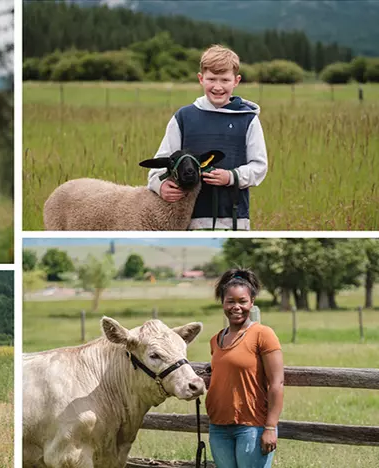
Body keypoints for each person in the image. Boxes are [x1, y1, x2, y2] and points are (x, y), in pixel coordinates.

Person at [147, 45, 268, 230]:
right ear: (201, 79)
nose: (218, 86)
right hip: (187, 219)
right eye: (211, 79)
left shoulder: (248, 119)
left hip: (234, 218)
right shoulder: (184, 117)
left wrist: (231, 176)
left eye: (225, 80)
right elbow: (161, 162)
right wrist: (160, 185)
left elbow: (259, 167)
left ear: (236, 81)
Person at [205, 269, 284, 468]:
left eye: (242, 301)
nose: (236, 307)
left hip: (252, 426)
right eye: (230, 301)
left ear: (252, 302)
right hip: (218, 427)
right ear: (223, 302)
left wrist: (270, 427)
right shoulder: (216, 339)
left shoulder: (263, 334)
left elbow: (277, 383)